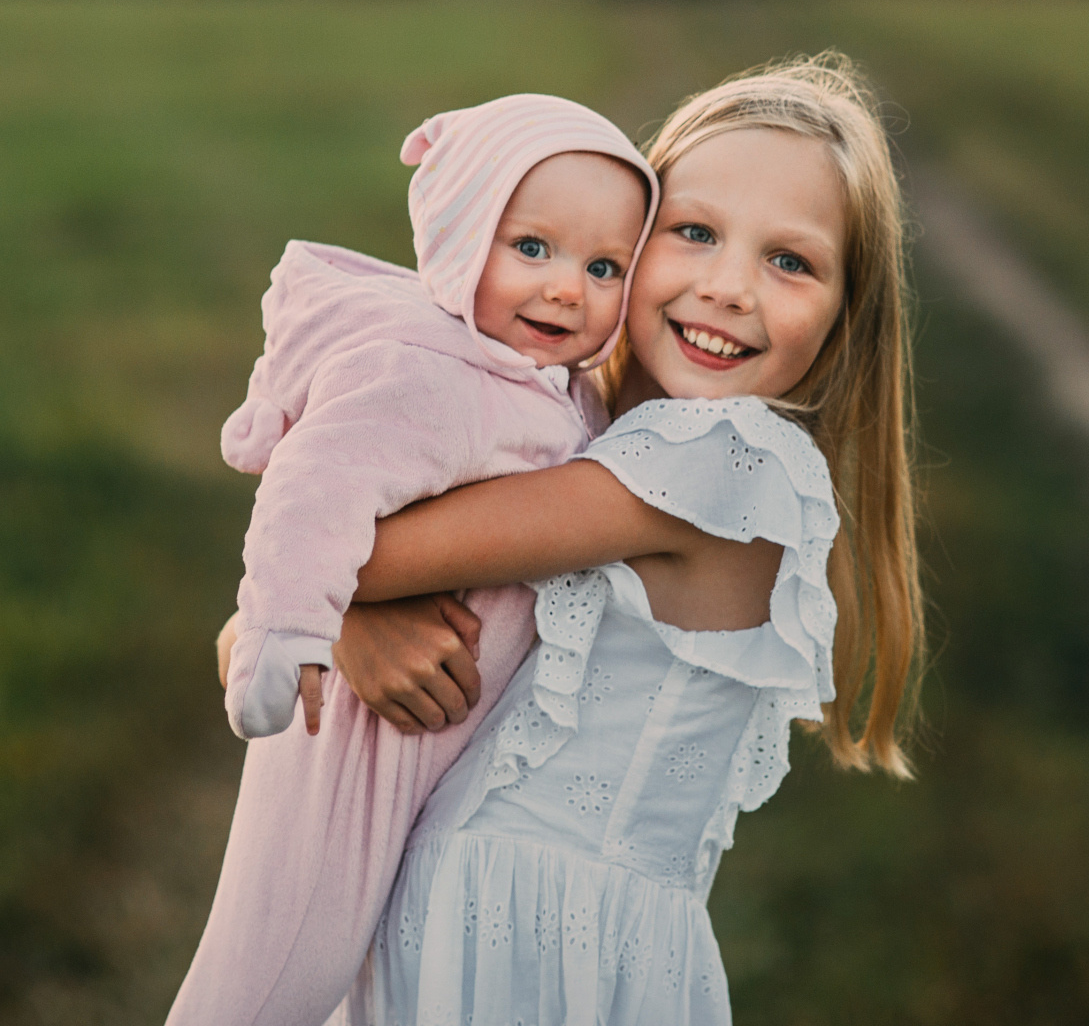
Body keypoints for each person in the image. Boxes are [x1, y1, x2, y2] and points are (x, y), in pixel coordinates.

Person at [327, 53, 924, 1025]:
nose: (730, 287)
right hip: (486, 933)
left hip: (531, 956)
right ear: (627, 242)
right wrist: (331, 621)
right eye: (693, 233)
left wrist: (341, 612)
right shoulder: (601, 448)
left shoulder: (721, 459)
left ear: (848, 317)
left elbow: (349, 550)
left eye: (791, 261)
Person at [166, 94, 659, 1025]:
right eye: (532, 249)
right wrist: (295, 625)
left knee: (362, 981)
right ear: (460, 234)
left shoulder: (545, 384)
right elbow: (315, 484)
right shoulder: (431, 370)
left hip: (432, 740)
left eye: (603, 268)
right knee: (276, 974)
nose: (566, 288)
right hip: (352, 742)